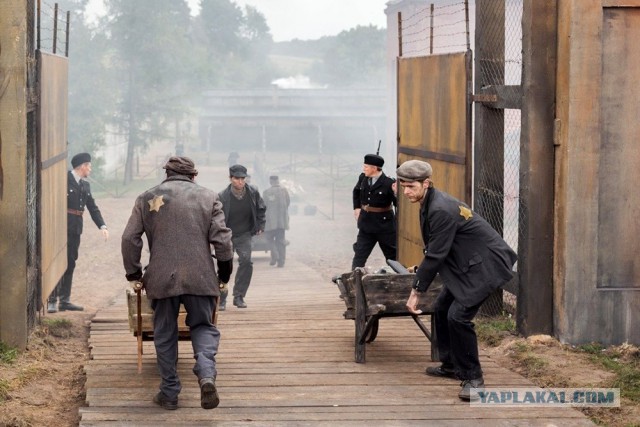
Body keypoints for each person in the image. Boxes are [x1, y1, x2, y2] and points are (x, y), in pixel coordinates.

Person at [396, 159, 517, 402]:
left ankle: (474, 379)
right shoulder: (430, 201)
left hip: (485, 266)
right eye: (403, 186)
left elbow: (436, 254)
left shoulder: (440, 208)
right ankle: (451, 364)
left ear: (426, 183)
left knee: (458, 317)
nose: (406, 191)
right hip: (467, 265)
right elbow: (437, 248)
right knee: (442, 308)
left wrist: (416, 290)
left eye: (411, 186)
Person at [121, 156, 233, 411]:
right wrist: (224, 273)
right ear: (193, 176)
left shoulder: (146, 198)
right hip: (201, 276)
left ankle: (170, 393)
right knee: (203, 326)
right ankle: (206, 373)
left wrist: (134, 274)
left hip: (161, 277)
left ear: (167, 174)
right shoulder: (209, 197)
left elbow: (130, 238)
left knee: (164, 333)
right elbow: (223, 242)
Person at [47, 152, 108, 313]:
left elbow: (92, 207)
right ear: (82, 166)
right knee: (57, 262)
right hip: (60, 228)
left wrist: (102, 226)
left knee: (70, 261)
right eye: (89, 166)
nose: (90, 169)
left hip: (75, 229)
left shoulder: (85, 185)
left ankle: (64, 300)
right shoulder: (63, 180)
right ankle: (52, 300)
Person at [218, 164, 266, 309]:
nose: (240, 181)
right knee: (225, 266)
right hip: (227, 234)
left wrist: (260, 225)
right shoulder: (222, 196)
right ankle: (221, 298)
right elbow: (217, 216)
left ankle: (239, 296)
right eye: (236, 178)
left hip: (244, 233)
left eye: (242, 178)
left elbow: (261, 209)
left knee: (246, 263)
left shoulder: (253, 192)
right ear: (230, 178)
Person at [351, 153, 397, 269]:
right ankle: (353, 281)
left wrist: (396, 193)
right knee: (359, 255)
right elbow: (356, 191)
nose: (363, 169)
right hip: (366, 225)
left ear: (374, 168)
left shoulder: (389, 183)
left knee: (392, 257)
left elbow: (398, 204)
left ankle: (399, 280)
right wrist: (356, 208)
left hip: (384, 227)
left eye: (366, 166)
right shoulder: (363, 178)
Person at [262, 175, 290, 267]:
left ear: (270, 182)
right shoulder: (284, 191)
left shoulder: (266, 192)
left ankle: (275, 255)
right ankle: (281, 262)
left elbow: (263, 206)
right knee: (281, 241)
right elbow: (288, 203)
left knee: (269, 239)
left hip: (270, 221)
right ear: (278, 181)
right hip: (282, 221)